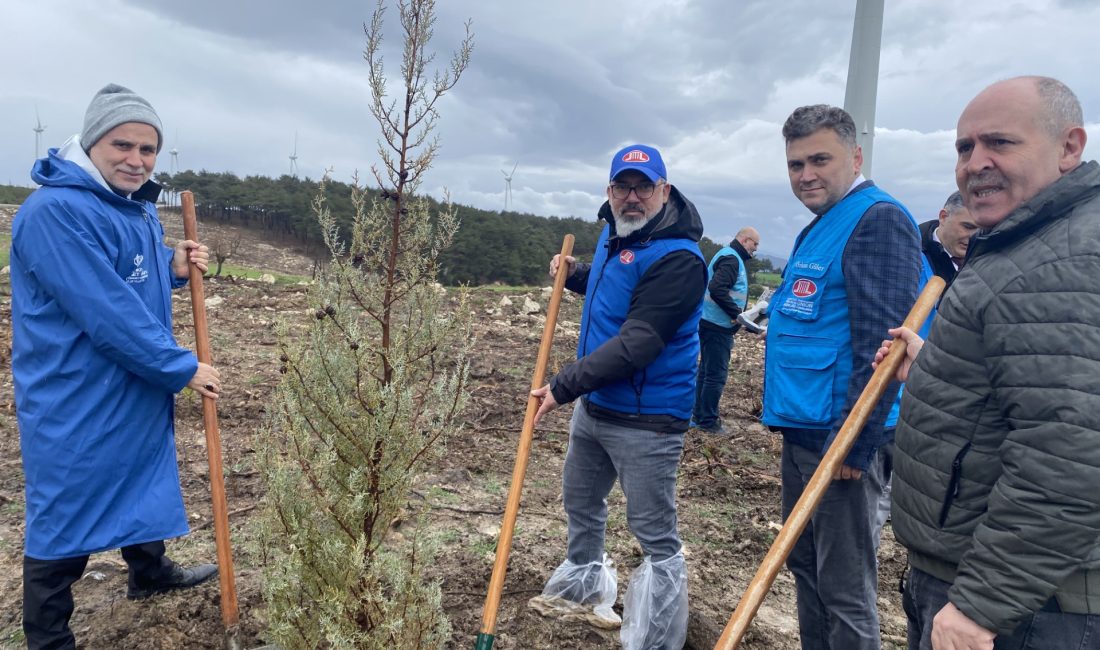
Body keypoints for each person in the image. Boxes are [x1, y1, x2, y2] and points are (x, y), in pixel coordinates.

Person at [881, 76, 1100, 650]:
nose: (976, 163)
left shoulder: (1062, 262)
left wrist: (983, 606)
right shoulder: (1028, 241)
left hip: (1023, 605)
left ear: (1069, 147)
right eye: (964, 148)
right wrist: (942, 371)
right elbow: (1033, 388)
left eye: (1000, 143)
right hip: (997, 582)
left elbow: (1068, 452)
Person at [11, 84, 222, 650]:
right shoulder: (54, 211)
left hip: (129, 380)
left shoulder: (133, 205)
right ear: (90, 142)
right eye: (121, 145)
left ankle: (148, 574)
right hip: (75, 386)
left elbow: (130, 278)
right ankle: (48, 636)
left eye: (148, 150)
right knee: (67, 500)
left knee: (142, 472)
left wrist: (171, 267)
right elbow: (105, 312)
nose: (136, 160)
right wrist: (180, 367)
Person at [527, 144, 707, 649]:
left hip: (647, 420)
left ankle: (657, 634)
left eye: (643, 186)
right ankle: (582, 587)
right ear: (609, 191)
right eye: (622, 186)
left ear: (664, 191)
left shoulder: (680, 259)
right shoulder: (616, 232)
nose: (632, 196)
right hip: (596, 407)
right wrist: (576, 273)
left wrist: (563, 386)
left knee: (653, 532)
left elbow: (639, 342)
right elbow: (615, 287)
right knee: (581, 501)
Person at [762, 105, 924, 650]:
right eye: (794, 164)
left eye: (819, 160)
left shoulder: (877, 219)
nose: (805, 174)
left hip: (841, 440)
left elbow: (880, 349)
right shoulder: (820, 227)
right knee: (805, 567)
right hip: (804, 432)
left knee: (845, 588)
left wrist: (852, 449)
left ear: (855, 157)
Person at [692, 227, 762, 434]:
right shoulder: (732, 259)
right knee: (715, 375)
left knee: (705, 372)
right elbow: (717, 288)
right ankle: (708, 421)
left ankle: (699, 415)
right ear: (745, 240)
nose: (755, 249)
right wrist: (736, 314)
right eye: (755, 244)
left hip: (708, 322)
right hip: (718, 326)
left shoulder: (727, 255)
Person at [919, 191, 980, 284]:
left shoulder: (992, 259)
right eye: (968, 227)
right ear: (943, 217)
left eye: (983, 231)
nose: (975, 237)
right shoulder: (909, 253)